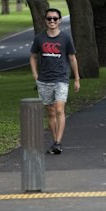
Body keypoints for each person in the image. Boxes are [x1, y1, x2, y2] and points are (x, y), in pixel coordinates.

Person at [30, 8, 80, 154]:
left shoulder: (65, 38)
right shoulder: (40, 38)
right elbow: (33, 56)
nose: (52, 21)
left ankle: (58, 142)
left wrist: (76, 78)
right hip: (44, 79)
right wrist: (35, 74)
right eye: (49, 18)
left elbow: (72, 58)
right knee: (50, 112)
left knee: (59, 109)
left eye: (55, 19)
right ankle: (55, 141)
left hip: (61, 78)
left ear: (59, 21)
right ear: (45, 21)